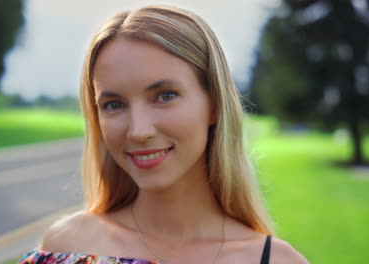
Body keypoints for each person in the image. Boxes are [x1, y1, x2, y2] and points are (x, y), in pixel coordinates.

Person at [19, 5, 309, 264]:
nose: (139, 131)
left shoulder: (276, 260)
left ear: (214, 105)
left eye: (165, 95)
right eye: (114, 104)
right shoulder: (66, 248)